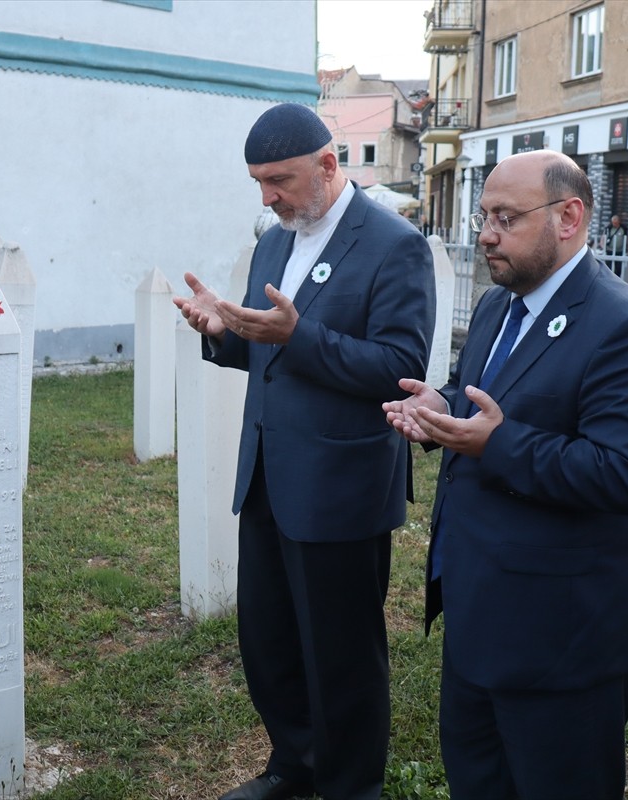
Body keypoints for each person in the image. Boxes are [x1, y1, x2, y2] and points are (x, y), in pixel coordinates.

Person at [383, 150, 628, 799]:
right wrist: (444, 402)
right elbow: (485, 392)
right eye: (483, 215)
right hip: (478, 616)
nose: (486, 233)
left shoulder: (627, 329)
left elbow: (627, 473)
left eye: (505, 218)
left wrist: (498, 445)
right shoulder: (497, 305)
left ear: (568, 217)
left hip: (562, 641)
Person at [174, 103, 435, 800]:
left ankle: (351, 786)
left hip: (341, 483)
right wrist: (220, 333)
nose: (267, 196)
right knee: (271, 643)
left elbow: (400, 367)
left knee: (342, 655)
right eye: (257, 181)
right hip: (266, 475)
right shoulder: (274, 240)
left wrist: (298, 338)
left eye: (279, 179)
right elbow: (268, 354)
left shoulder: (392, 245)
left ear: (328, 165)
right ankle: (293, 767)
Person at [600, 213, 628, 278]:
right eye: (613, 222)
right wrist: (603, 247)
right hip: (609, 250)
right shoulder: (608, 228)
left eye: (615, 222)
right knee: (609, 268)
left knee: (618, 268)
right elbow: (603, 238)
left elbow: (627, 239)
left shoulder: (623, 228)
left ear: (619, 222)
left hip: (619, 251)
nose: (614, 224)